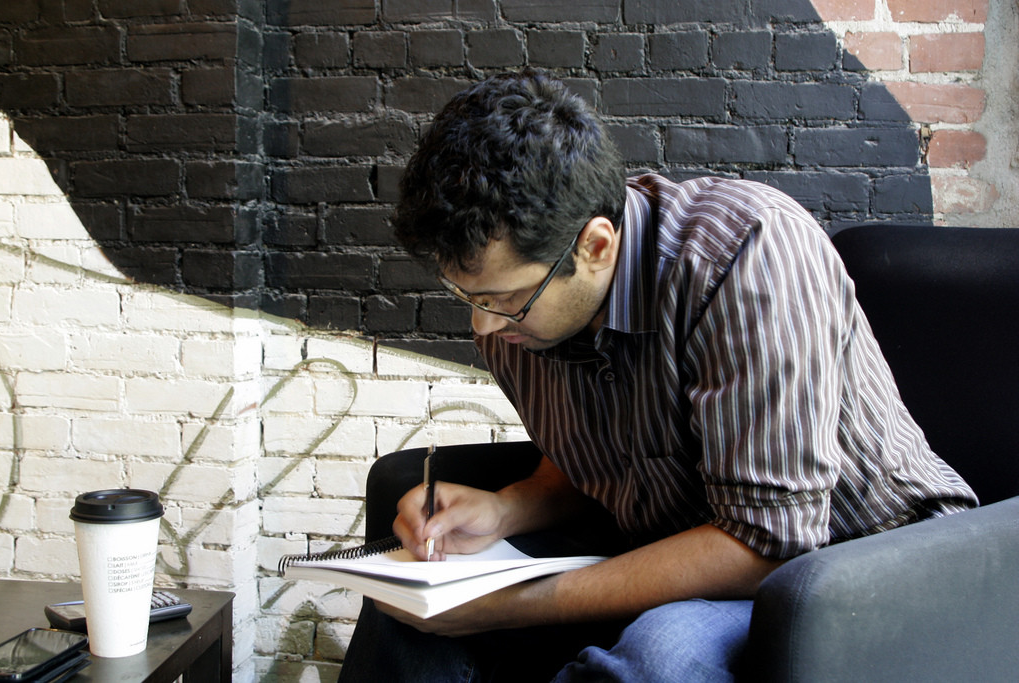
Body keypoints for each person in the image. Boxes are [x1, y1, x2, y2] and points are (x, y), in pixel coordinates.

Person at [338, 69, 978, 682]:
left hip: (855, 559)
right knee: (411, 619)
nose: (483, 329)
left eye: (505, 299)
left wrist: (520, 604)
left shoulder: (744, 256)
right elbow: (601, 456)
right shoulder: (519, 318)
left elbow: (771, 538)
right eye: (466, 297)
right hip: (669, 542)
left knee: (661, 657)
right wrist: (508, 509)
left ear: (595, 246)